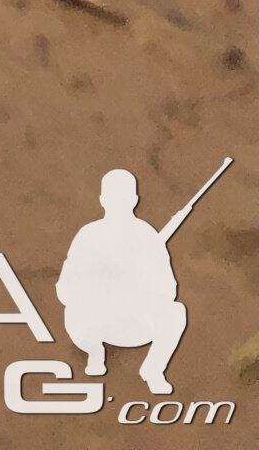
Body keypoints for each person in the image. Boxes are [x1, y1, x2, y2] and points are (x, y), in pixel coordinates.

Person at [56, 168, 189, 394]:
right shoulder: (88, 235)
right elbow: (65, 289)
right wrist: (99, 285)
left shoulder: (148, 236)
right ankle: (95, 353)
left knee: (176, 312)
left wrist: (139, 285)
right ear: (103, 200)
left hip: (135, 323)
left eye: (123, 197)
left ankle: (153, 370)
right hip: (95, 323)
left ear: (134, 200)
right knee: (75, 312)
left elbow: (169, 290)